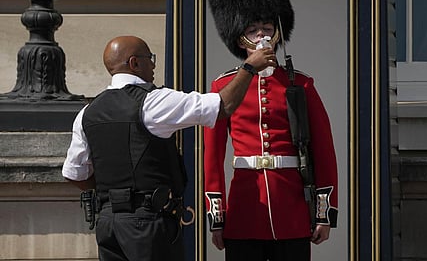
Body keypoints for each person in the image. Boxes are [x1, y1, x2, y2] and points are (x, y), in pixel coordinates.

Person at [62, 35, 276, 261]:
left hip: (108, 224)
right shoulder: (153, 102)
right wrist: (249, 68)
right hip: (147, 223)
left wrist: (115, 192)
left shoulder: (87, 112)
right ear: (134, 63)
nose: (153, 65)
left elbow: (74, 173)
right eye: (149, 58)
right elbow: (223, 106)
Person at [204, 0, 338, 261]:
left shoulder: (301, 84)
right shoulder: (222, 87)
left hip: (290, 206)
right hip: (245, 206)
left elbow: (324, 151)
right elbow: (212, 157)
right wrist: (217, 216)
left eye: (267, 28)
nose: (262, 36)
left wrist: (323, 213)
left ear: (278, 33)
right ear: (241, 39)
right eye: (254, 30)